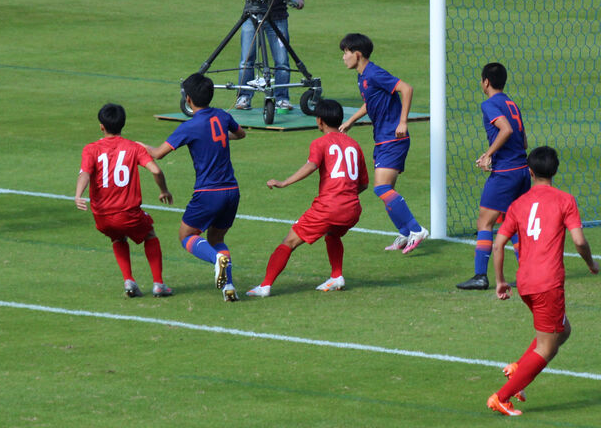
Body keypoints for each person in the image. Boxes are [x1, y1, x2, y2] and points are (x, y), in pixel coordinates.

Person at [486, 146, 598, 417]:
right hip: (548, 282)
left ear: (530, 171)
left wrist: (501, 281)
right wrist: (590, 263)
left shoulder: (518, 204)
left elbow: (499, 244)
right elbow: (579, 240)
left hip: (525, 282)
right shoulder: (565, 200)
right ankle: (501, 397)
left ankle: (518, 369)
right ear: (556, 170)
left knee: (563, 330)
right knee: (548, 346)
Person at [249, 99, 369, 297]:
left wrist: (284, 182)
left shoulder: (320, 143)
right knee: (333, 234)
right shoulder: (354, 145)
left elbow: (311, 166)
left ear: (319, 121)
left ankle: (265, 286)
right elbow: (363, 184)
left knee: (289, 242)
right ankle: (336, 276)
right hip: (352, 209)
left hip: (328, 208)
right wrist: (345, 196)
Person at [146, 73, 246, 301]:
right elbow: (241, 134)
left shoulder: (189, 127)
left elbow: (158, 154)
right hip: (231, 191)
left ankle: (216, 261)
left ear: (188, 99)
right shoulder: (222, 116)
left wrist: (137, 145)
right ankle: (228, 288)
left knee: (186, 235)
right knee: (217, 240)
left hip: (208, 193)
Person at [338, 33, 428, 253]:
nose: (343, 57)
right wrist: (350, 121)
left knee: (382, 188)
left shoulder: (375, 73)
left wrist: (403, 122)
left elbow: (406, 89)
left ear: (357, 54)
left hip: (393, 138)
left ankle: (416, 230)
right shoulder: (362, 77)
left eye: (346, 52)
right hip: (382, 139)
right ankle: (405, 234)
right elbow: (370, 103)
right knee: (386, 191)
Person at [75, 102, 174, 298]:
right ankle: (159, 284)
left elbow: (85, 173)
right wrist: (163, 190)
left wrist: (78, 195)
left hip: (102, 215)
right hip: (127, 212)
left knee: (117, 236)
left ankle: (129, 281)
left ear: (101, 126)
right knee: (150, 235)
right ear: (123, 124)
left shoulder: (90, 149)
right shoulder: (133, 147)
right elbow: (156, 170)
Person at [458, 62, 529, 290]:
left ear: (486, 82)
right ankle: (526, 273)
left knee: (484, 221)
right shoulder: (512, 104)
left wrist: (489, 154)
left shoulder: (490, 104)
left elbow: (506, 129)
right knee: (515, 222)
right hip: (522, 171)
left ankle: (480, 275)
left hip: (505, 173)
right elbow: (523, 140)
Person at [234, 0, 307, 112]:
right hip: (252, 14)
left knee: (281, 61)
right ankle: (244, 96)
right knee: (247, 59)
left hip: (278, 16)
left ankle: (282, 98)